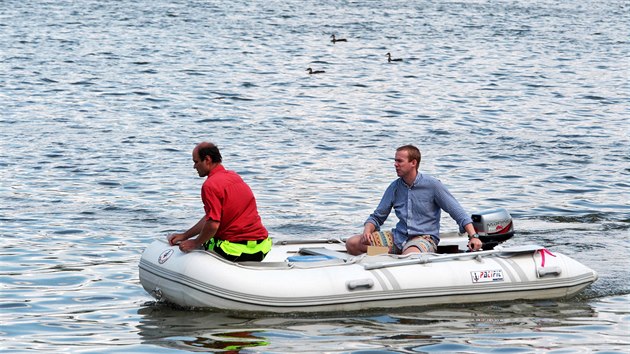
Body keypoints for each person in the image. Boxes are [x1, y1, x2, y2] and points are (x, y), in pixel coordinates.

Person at [345, 144, 482, 256]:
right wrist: (367, 231)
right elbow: (376, 217)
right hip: (398, 237)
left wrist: (474, 236)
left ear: (413, 163)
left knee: (409, 256)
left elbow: (458, 213)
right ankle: (388, 253)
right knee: (352, 244)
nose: (395, 164)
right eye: (395, 161)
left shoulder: (433, 185)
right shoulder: (394, 187)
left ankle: (396, 254)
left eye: (399, 161)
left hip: (424, 238)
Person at [168, 142, 271, 261]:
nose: (194, 167)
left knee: (206, 240)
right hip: (261, 248)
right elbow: (211, 217)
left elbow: (213, 224)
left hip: (234, 251)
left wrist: (196, 242)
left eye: (196, 162)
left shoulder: (210, 185)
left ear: (207, 159)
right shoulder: (234, 176)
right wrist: (185, 235)